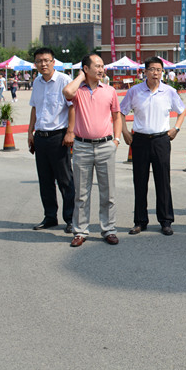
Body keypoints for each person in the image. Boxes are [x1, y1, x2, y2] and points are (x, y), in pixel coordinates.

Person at [120, 56, 186, 236]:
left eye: (158, 70)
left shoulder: (169, 91)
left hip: (161, 140)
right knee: (140, 181)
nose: (155, 73)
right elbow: (121, 112)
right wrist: (124, 131)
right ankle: (140, 221)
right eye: (152, 69)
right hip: (140, 140)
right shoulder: (134, 91)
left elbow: (181, 111)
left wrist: (176, 129)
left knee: (163, 181)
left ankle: (166, 221)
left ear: (162, 72)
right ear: (145, 72)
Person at [63, 54, 122, 248]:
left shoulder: (110, 91)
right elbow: (67, 92)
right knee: (81, 193)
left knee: (108, 192)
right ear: (86, 69)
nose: (101, 69)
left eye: (102, 66)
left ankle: (109, 229)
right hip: (82, 147)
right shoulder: (78, 92)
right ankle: (80, 231)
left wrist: (116, 140)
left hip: (106, 146)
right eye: (97, 66)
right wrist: (81, 77)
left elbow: (117, 117)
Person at [28, 48, 75, 233]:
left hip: (59, 137)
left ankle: (70, 218)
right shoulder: (37, 82)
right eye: (39, 61)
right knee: (45, 180)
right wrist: (30, 132)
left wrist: (70, 132)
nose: (43, 64)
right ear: (35, 64)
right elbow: (34, 108)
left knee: (65, 180)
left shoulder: (64, 80)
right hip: (41, 137)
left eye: (46, 60)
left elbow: (72, 107)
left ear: (53, 62)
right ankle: (50, 217)